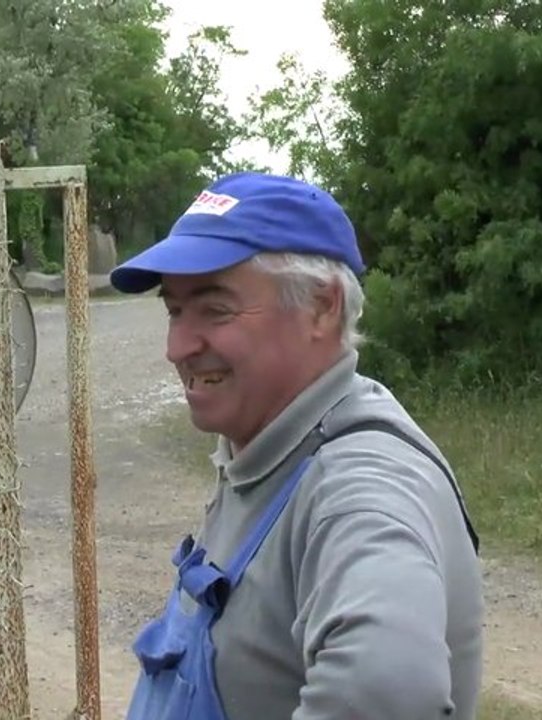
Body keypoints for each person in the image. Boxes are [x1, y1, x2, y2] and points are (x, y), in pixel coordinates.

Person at [109, 172, 483, 720]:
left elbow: (390, 690)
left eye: (216, 310)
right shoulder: (270, 450)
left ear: (321, 307)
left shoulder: (358, 484)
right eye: (175, 310)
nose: (177, 347)